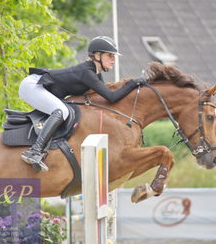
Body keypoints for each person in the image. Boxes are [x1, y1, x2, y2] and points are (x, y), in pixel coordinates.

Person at [19, 36, 147, 171]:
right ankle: (34, 151)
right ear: (97, 55)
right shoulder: (87, 72)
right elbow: (112, 97)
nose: (113, 60)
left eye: (114, 56)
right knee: (62, 111)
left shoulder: (95, 73)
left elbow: (103, 99)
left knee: (64, 110)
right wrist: (133, 83)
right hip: (33, 86)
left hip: (41, 87)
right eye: (110, 56)